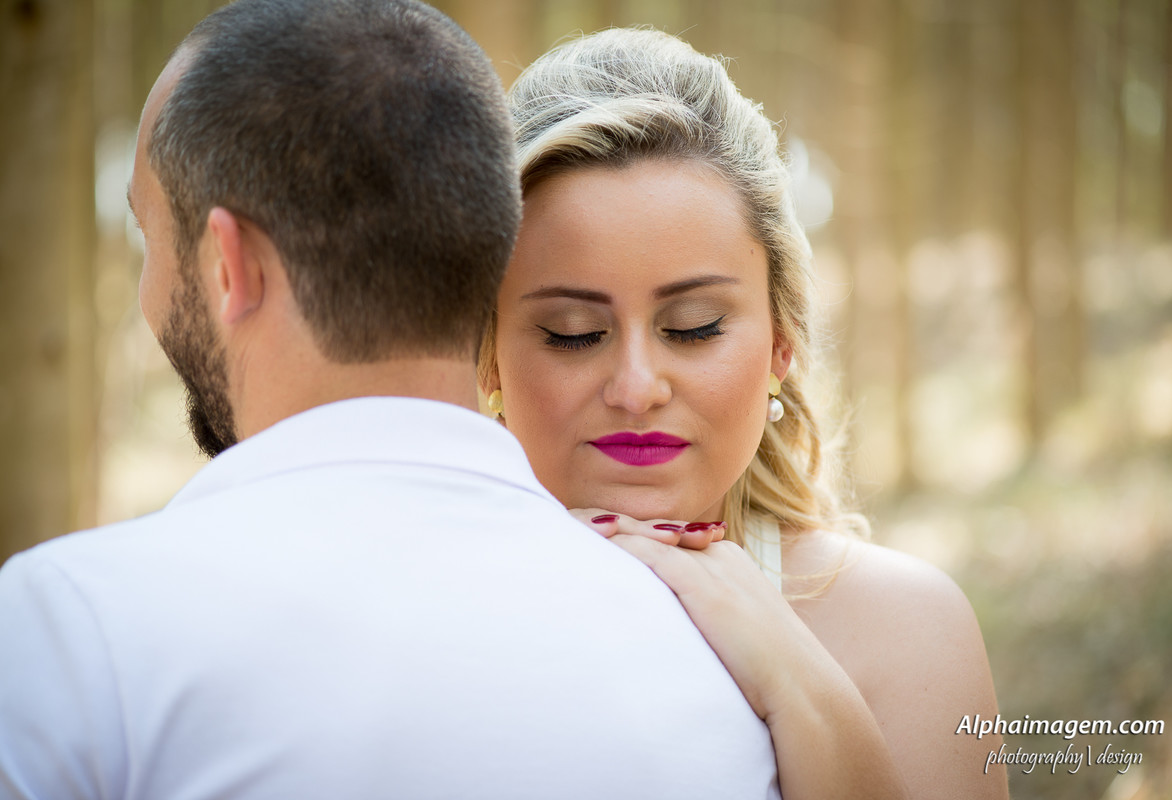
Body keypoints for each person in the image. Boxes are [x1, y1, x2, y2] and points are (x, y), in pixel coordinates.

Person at [0, 5, 782, 798]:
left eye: (154, 242)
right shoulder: (718, 664)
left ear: (229, 264)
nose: (637, 388)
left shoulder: (69, 638)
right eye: (576, 330)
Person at [480, 28, 1009, 799]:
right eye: (573, 334)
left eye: (693, 326)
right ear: (490, 357)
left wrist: (796, 679)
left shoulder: (907, 633)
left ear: (781, 344)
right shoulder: (417, 621)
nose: (636, 387)